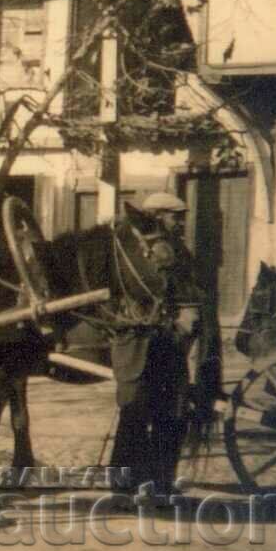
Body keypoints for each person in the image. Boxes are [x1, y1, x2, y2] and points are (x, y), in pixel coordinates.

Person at [108, 191, 202, 502]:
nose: (181, 222)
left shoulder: (179, 252)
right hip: (138, 341)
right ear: (159, 215)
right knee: (134, 413)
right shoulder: (133, 250)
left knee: (172, 413)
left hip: (169, 341)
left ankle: (161, 483)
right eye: (176, 216)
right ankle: (123, 487)